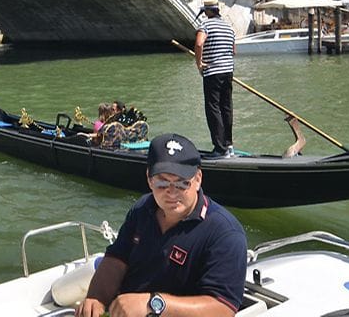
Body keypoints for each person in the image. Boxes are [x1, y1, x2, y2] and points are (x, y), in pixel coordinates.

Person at [77, 133, 246, 317]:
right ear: (149, 179)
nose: (171, 192)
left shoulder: (225, 233)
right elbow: (117, 258)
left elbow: (223, 308)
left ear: (198, 179)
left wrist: (153, 304)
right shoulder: (143, 208)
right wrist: (96, 299)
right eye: (162, 182)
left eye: (182, 183)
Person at [194, 0, 236, 157]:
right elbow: (234, 51)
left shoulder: (205, 25)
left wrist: (199, 63)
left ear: (207, 11)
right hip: (228, 72)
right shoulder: (228, 27)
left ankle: (220, 148)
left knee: (213, 108)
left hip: (213, 72)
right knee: (226, 107)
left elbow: (199, 44)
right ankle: (229, 145)